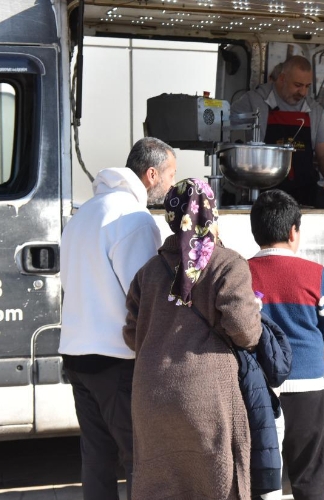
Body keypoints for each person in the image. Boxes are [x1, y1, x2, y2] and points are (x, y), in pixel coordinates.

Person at [123, 178, 263, 499]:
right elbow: (246, 332)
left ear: (171, 217)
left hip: (150, 396)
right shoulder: (227, 264)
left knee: (161, 483)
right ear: (211, 212)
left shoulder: (148, 272)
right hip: (206, 396)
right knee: (215, 483)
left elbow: (133, 335)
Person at [58, 137, 177, 500]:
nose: (173, 184)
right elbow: (144, 294)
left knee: (97, 461)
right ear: (152, 174)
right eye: (172, 175)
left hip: (77, 355)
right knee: (142, 458)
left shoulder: (87, 212)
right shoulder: (134, 219)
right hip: (116, 360)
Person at [248, 189, 324, 500]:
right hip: (308, 389)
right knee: (310, 480)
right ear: (293, 231)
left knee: (259, 481)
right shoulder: (317, 275)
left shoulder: (238, 273)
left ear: (255, 232)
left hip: (255, 391)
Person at [232, 55, 324, 206]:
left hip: (304, 195)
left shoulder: (313, 110)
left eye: (307, 86)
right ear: (282, 78)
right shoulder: (254, 101)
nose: (303, 92)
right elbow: (228, 136)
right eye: (298, 85)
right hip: (265, 195)